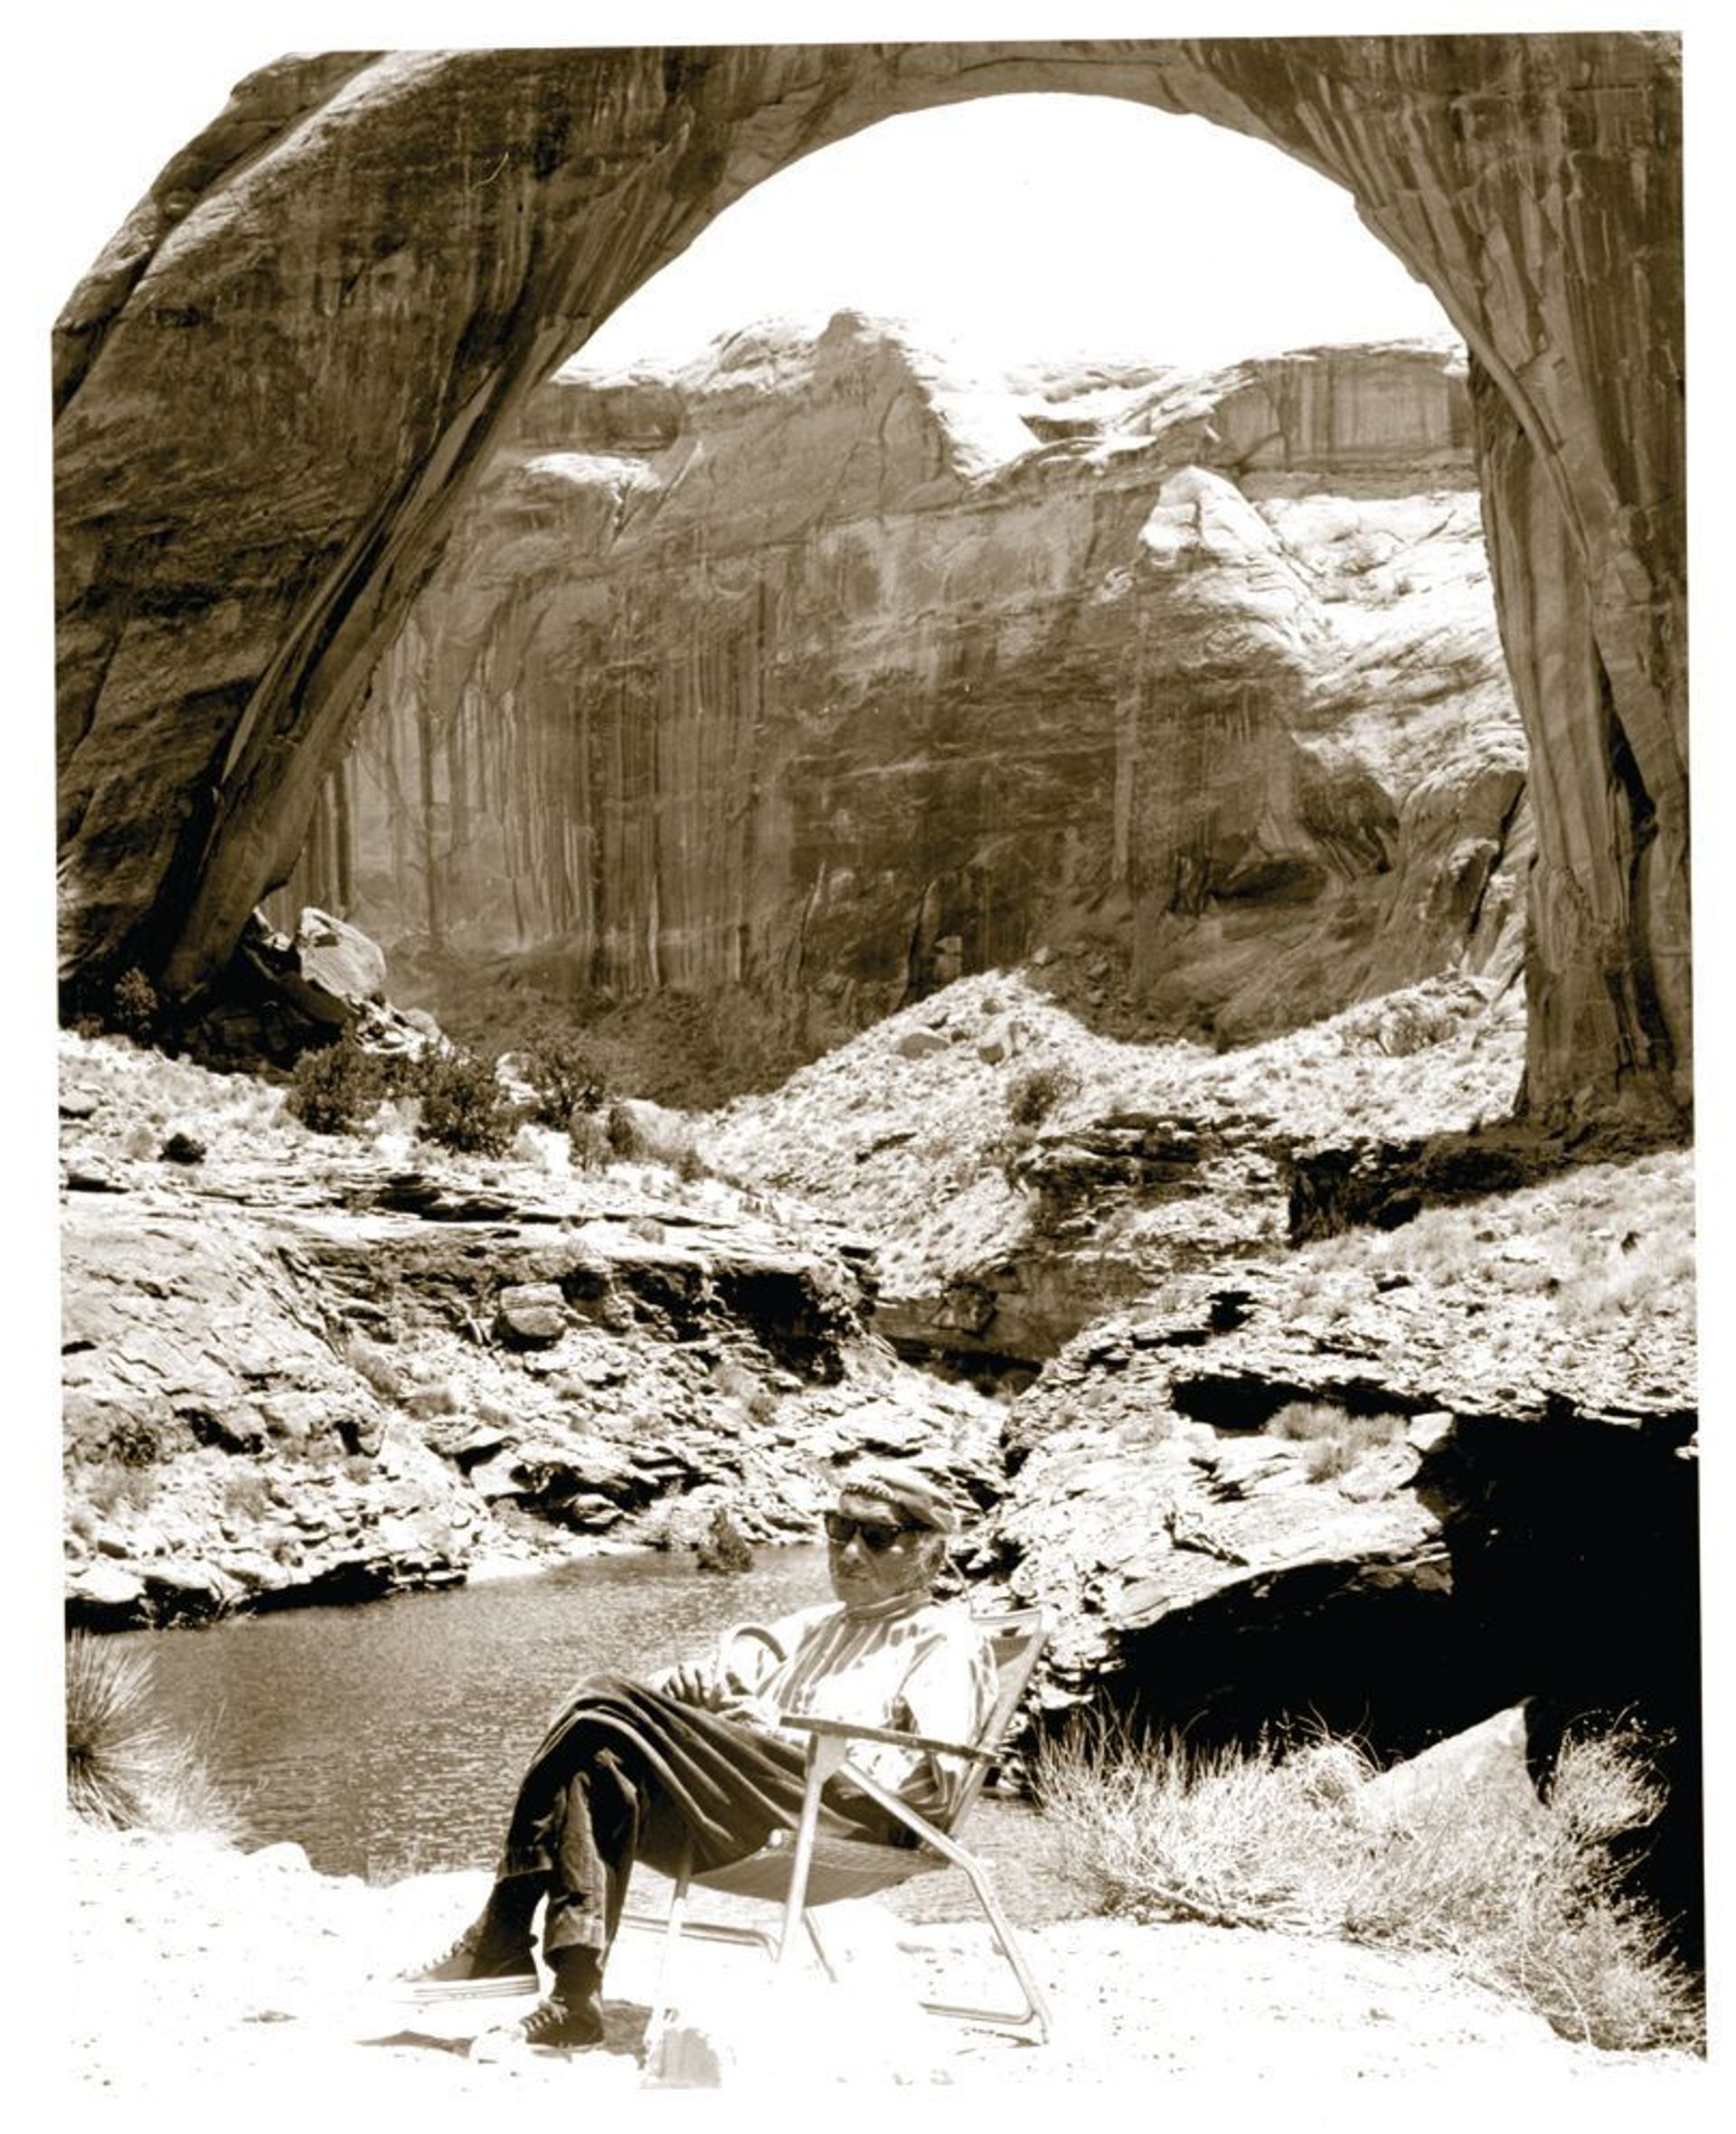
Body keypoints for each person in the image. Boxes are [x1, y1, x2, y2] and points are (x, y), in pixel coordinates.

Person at [403, 1459, 998, 2050]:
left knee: (601, 1696)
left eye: (876, 1536)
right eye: (838, 1529)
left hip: (848, 1816)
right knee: (599, 1759)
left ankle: (500, 1937)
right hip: (760, 1802)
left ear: (929, 1553)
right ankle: (574, 1998)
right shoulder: (816, 1626)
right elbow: (716, 1674)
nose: (847, 1551)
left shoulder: (946, 1639)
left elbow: (931, 1784)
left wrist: (791, 1738)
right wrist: (688, 1694)